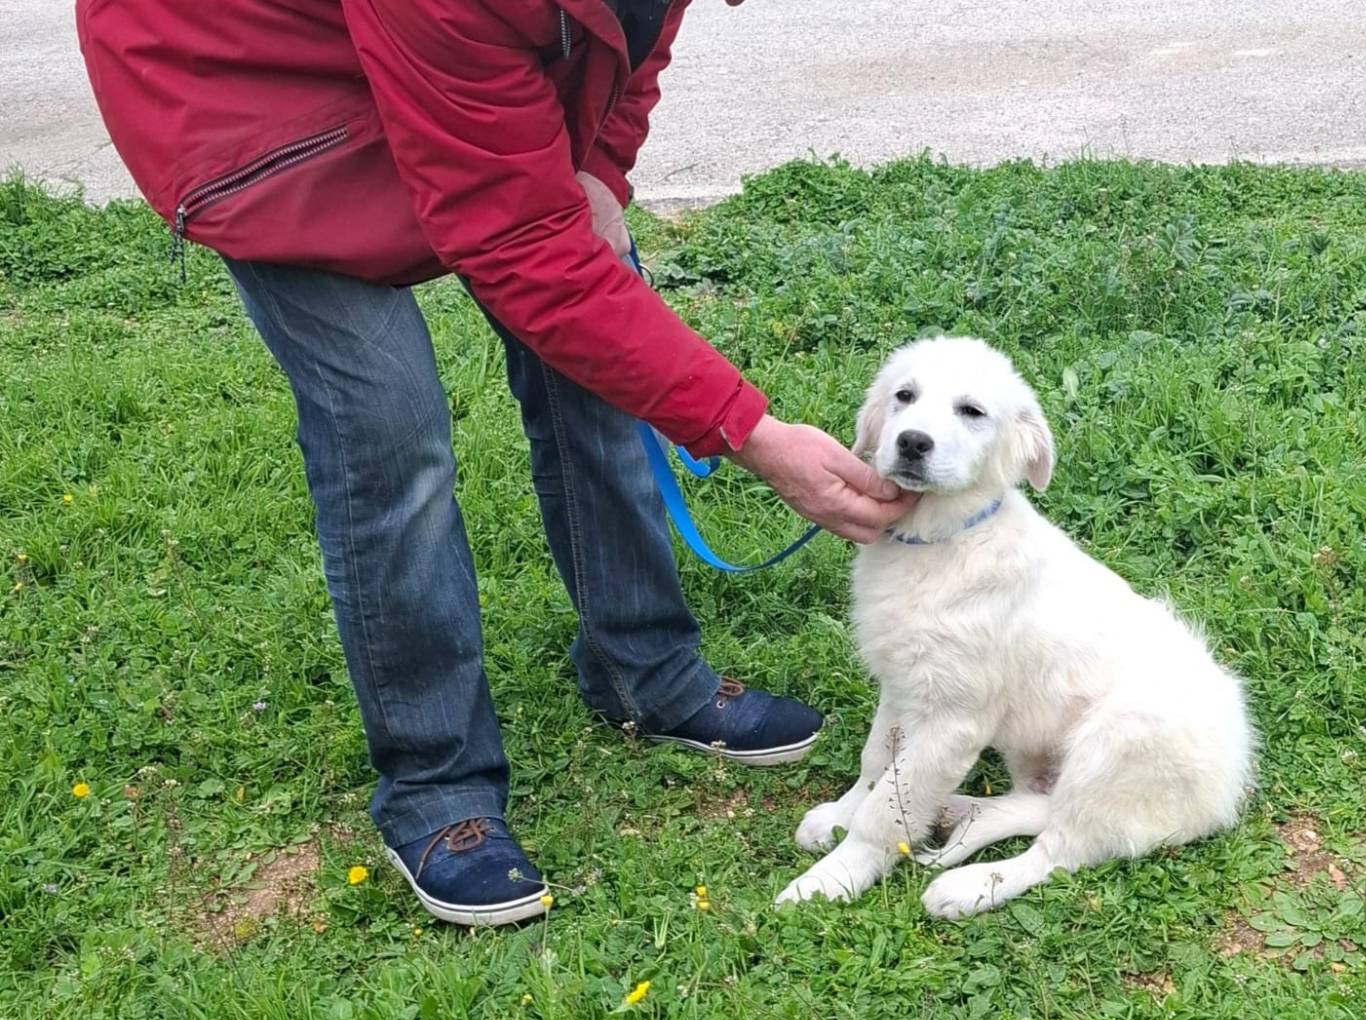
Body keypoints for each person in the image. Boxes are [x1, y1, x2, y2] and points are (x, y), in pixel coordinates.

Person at [77, 0, 914, 926]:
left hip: (428, 61)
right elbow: (516, 239)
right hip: (250, 92)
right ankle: (435, 785)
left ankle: (644, 669)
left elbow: (624, 56)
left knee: (595, 341)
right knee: (388, 423)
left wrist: (593, 173)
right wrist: (746, 431)